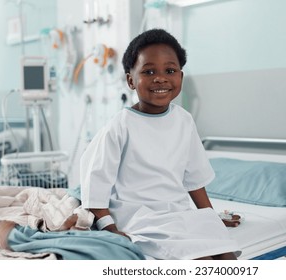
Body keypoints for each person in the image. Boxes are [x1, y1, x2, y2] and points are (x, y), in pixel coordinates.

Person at [80, 28, 240, 260]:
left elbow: (194, 179)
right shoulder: (120, 125)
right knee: (201, 259)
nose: (160, 78)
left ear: (181, 78)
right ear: (131, 80)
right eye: (149, 71)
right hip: (140, 217)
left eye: (170, 70)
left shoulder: (184, 120)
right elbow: (96, 184)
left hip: (178, 212)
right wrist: (110, 228)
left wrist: (210, 218)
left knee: (227, 257)